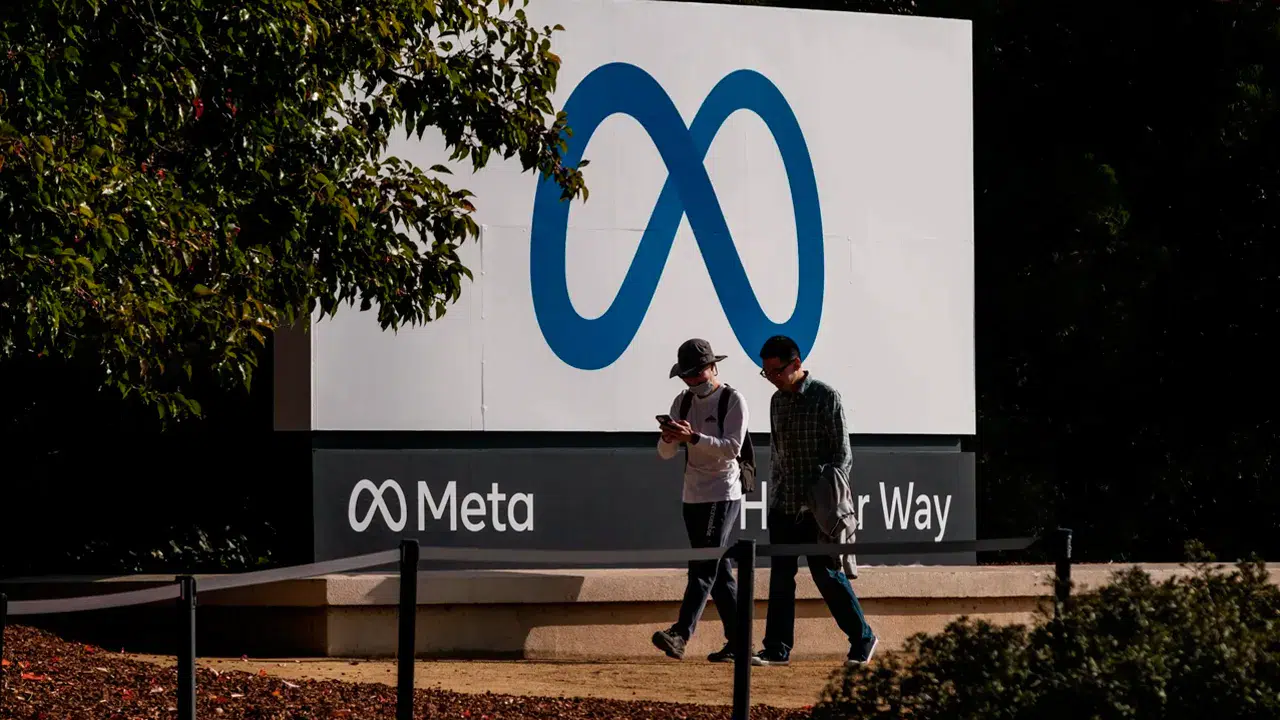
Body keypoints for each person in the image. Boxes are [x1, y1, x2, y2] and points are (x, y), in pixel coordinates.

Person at [750, 334, 878, 667]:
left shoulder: (825, 397)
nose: (772, 378)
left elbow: (842, 455)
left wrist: (826, 497)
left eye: (776, 371)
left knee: (828, 575)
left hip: (819, 509)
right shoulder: (776, 401)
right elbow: (778, 454)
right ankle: (776, 648)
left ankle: (863, 638)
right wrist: (776, 493)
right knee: (781, 578)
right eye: (766, 373)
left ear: (796, 363)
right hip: (783, 505)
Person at [651, 338, 749, 663]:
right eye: (687, 375)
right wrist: (669, 437)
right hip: (692, 494)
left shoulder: (733, 400)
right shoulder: (682, 401)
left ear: (713, 367)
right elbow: (665, 454)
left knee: (704, 566)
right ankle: (740, 643)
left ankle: (681, 634)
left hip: (723, 491)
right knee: (718, 571)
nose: (693, 380)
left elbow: (732, 448)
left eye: (697, 373)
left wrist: (692, 437)